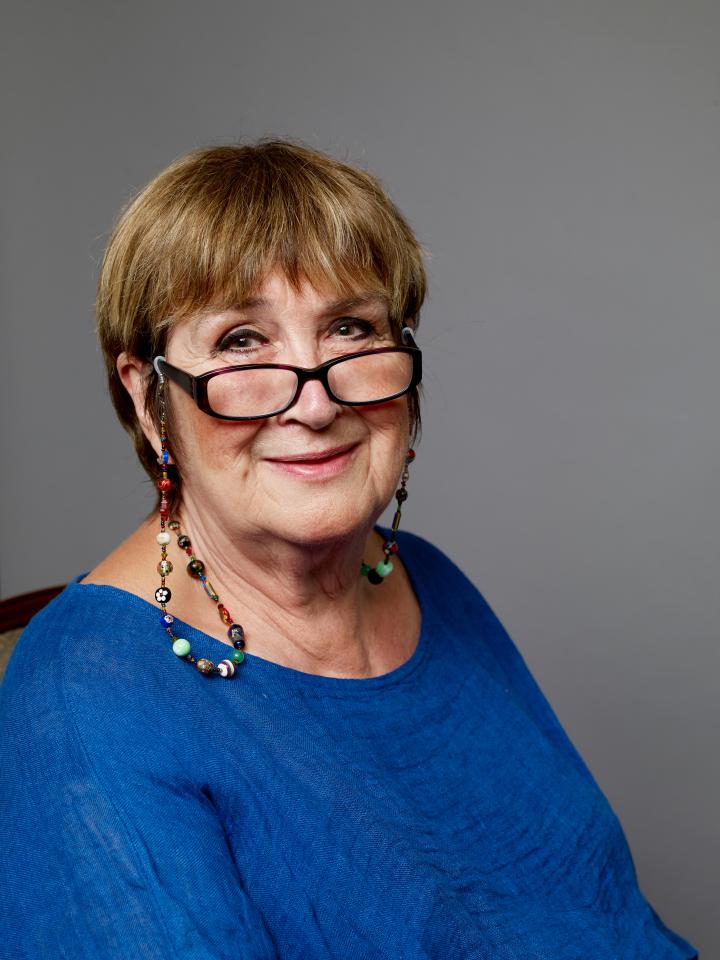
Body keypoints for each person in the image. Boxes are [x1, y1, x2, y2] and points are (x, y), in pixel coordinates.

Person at [0, 140, 697, 960]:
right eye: (241, 343)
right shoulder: (83, 702)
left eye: (350, 328)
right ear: (151, 400)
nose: (315, 399)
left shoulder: (424, 576)